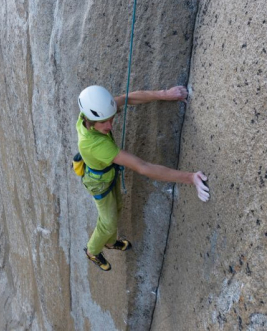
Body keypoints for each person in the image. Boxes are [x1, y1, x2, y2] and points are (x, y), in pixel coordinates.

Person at [76, 85, 210, 271]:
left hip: (108, 171)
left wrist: (165, 94)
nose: (110, 126)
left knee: (118, 208)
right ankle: (92, 251)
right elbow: (143, 167)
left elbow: (128, 98)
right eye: (104, 123)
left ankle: (110, 242)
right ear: (90, 121)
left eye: (110, 119)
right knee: (108, 223)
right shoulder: (95, 145)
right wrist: (190, 178)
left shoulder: (93, 113)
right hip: (98, 183)